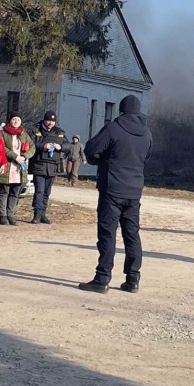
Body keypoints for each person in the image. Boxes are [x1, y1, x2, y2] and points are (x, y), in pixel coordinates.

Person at [78, 95, 153, 294]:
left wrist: (100, 161)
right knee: (132, 234)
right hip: (134, 191)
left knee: (107, 234)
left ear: (121, 111)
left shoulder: (113, 128)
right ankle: (133, 279)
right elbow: (146, 157)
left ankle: (102, 279)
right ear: (137, 112)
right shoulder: (147, 133)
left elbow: (91, 149)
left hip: (111, 189)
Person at [30, 110, 68, 224]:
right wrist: (43, 146)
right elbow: (31, 144)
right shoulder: (36, 130)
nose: (50, 123)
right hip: (39, 165)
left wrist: (59, 146)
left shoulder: (59, 132)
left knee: (47, 191)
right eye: (48, 121)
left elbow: (68, 145)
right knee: (39, 191)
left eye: (52, 121)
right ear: (44, 120)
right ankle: (37, 214)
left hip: (52, 166)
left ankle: (43, 214)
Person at [0, 114, 35, 226]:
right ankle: (2, 215)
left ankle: (11, 214)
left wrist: (25, 156)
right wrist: (15, 156)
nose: (16, 121)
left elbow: (33, 147)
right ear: (9, 121)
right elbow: (1, 147)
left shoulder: (24, 134)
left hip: (20, 168)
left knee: (15, 192)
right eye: (14, 119)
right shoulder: (3, 133)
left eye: (18, 119)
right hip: (7, 165)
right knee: (4, 191)